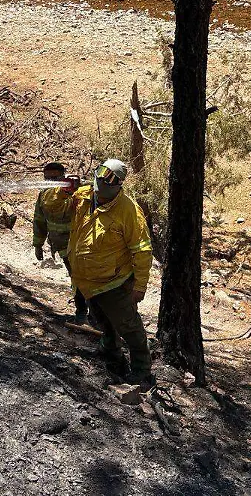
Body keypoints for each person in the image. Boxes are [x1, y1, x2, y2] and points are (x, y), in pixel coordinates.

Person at [67, 158, 155, 385]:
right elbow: (58, 210)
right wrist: (63, 191)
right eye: (101, 175)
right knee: (102, 320)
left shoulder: (129, 211)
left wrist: (140, 286)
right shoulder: (83, 196)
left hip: (115, 282)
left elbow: (142, 251)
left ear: (118, 185)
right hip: (88, 281)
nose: (102, 182)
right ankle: (111, 353)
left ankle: (142, 371)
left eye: (109, 180)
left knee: (129, 327)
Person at [34, 162, 86, 321]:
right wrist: (38, 245)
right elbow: (39, 220)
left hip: (82, 245)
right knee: (75, 277)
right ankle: (82, 311)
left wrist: (76, 188)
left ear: (63, 176)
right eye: (47, 179)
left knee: (85, 277)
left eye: (55, 178)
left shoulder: (76, 191)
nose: (51, 182)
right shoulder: (44, 195)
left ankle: (90, 312)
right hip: (62, 246)